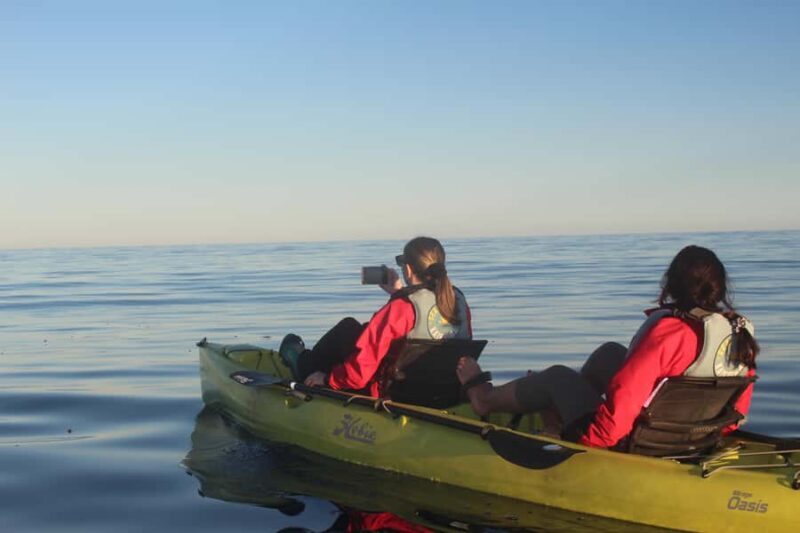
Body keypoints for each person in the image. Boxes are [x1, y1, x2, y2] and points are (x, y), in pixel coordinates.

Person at [456, 245, 759, 449]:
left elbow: (620, 412)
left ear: (671, 284)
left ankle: (485, 401)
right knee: (611, 354)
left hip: (639, 442)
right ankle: (560, 410)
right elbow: (737, 411)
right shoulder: (737, 331)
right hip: (697, 435)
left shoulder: (670, 334)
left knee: (557, 377)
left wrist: (578, 442)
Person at [280, 236, 472, 398]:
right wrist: (398, 293)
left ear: (408, 269)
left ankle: (304, 367)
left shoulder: (401, 308)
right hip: (439, 391)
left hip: (394, 393)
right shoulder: (459, 300)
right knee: (356, 329)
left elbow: (360, 373)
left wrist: (328, 379)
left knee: (347, 328)